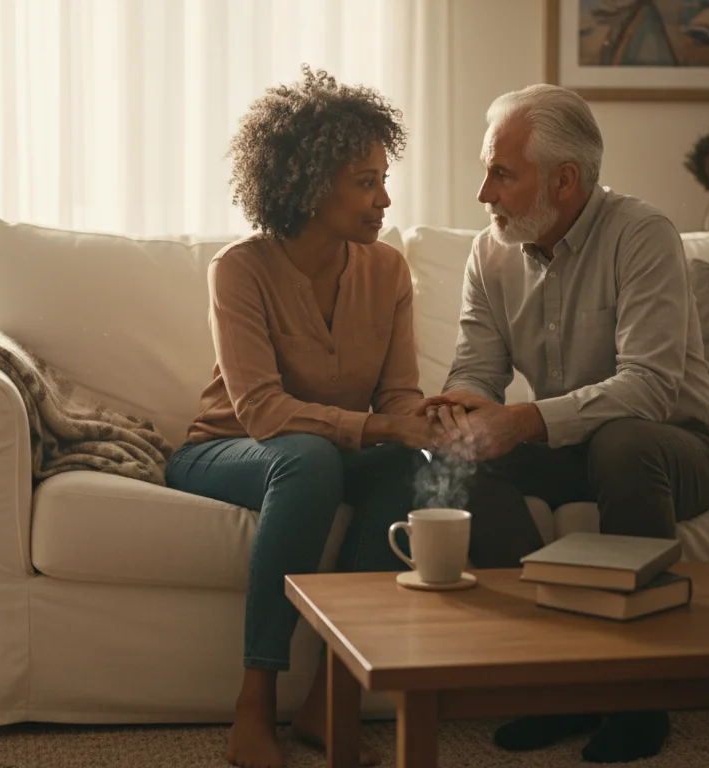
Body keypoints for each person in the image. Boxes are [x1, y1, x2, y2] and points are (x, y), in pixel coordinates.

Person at [422, 84, 709, 763]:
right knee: (461, 460)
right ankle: (554, 683)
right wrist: (463, 413)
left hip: (678, 446)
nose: (484, 193)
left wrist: (523, 419)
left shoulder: (642, 233)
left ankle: (639, 697)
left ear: (564, 181)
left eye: (502, 173)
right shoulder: (491, 252)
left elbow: (651, 389)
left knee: (623, 446)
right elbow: (477, 365)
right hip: (575, 445)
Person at [168, 66, 439, 768]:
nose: (384, 198)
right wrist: (382, 427)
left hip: (320, 454)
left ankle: (327, 704)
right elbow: (260, 413)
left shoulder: (388, 271)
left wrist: (423, 427)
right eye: (365, 180)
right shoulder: (240, 270)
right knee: (311, 456)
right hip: (226, 450)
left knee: (404, 465)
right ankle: (253, 702)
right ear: (310, 180)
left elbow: (400, 398)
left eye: (384, 177)